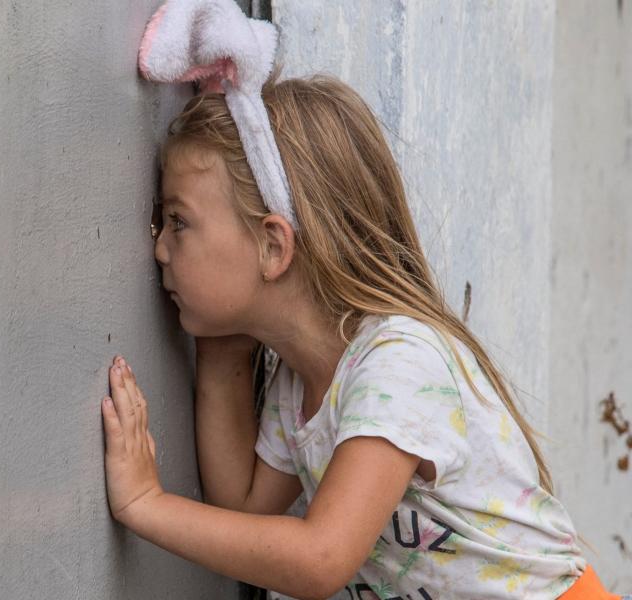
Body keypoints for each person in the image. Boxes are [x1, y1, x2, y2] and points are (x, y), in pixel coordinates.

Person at [98, 73, 628, 599]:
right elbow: (243, 507)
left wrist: (146, 503)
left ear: (273, 247)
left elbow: (320, 559)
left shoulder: (395, 364)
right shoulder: (301, 381)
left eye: (177, 222)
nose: (160, 249)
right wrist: (221, 348)